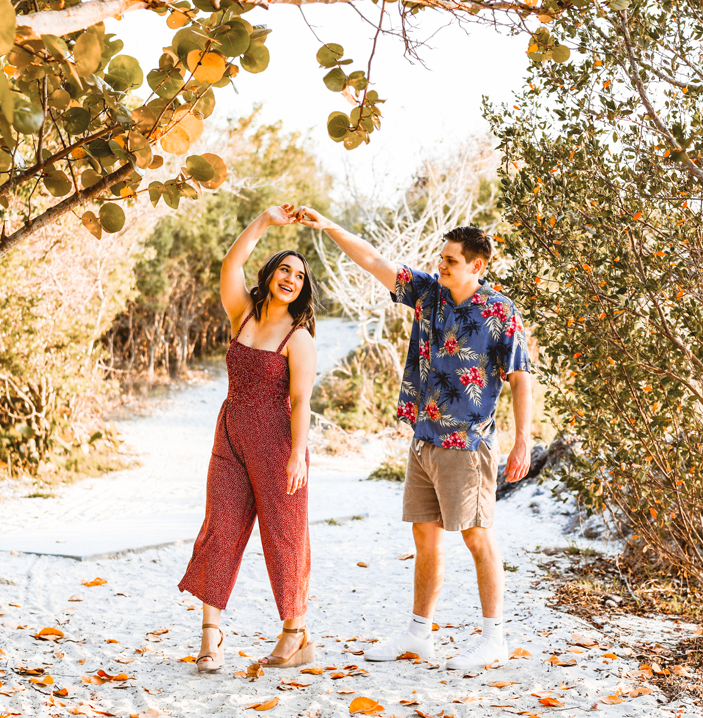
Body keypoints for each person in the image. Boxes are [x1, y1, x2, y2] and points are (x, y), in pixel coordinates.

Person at [293, 207, 533, 670]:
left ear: (476, 266)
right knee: (425, 536)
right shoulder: (429, 293)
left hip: (469, 445)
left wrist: (522, 441)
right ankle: (419, 634)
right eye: (441, 258)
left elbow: (521, 378)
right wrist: (329, 225)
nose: (441, 265)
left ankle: (494, 638)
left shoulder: (499, 312)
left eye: (450, 260)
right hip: (424, 440)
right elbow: (373, 261)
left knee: (478, 537)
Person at [178, 204, 319, 674]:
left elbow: (301, 402)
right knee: (220, 529)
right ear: (271, 272)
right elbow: (230, 265)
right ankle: (211, 636)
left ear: (303, 290)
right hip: (231, 435)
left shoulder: (298, 339)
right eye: (284, 269)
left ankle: (295, 633)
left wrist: (298, 453)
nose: (290, 279)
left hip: (278, 444)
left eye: (299, 277)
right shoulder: (242, 313)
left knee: (284, 537)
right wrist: (263, 220)